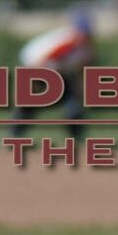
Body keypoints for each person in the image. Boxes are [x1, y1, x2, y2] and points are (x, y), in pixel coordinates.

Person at [10, 11, 95, 139]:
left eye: (86, 32)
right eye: (82, 31)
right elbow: (40, 61)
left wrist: (79, 87)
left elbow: (80, 68)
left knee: (73, 106)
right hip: (36, 67)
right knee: (29, 104)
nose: (85, 35)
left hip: (58, 73)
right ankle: (14, 134)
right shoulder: (67, 41)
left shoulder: (86, 48)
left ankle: (77, 138)